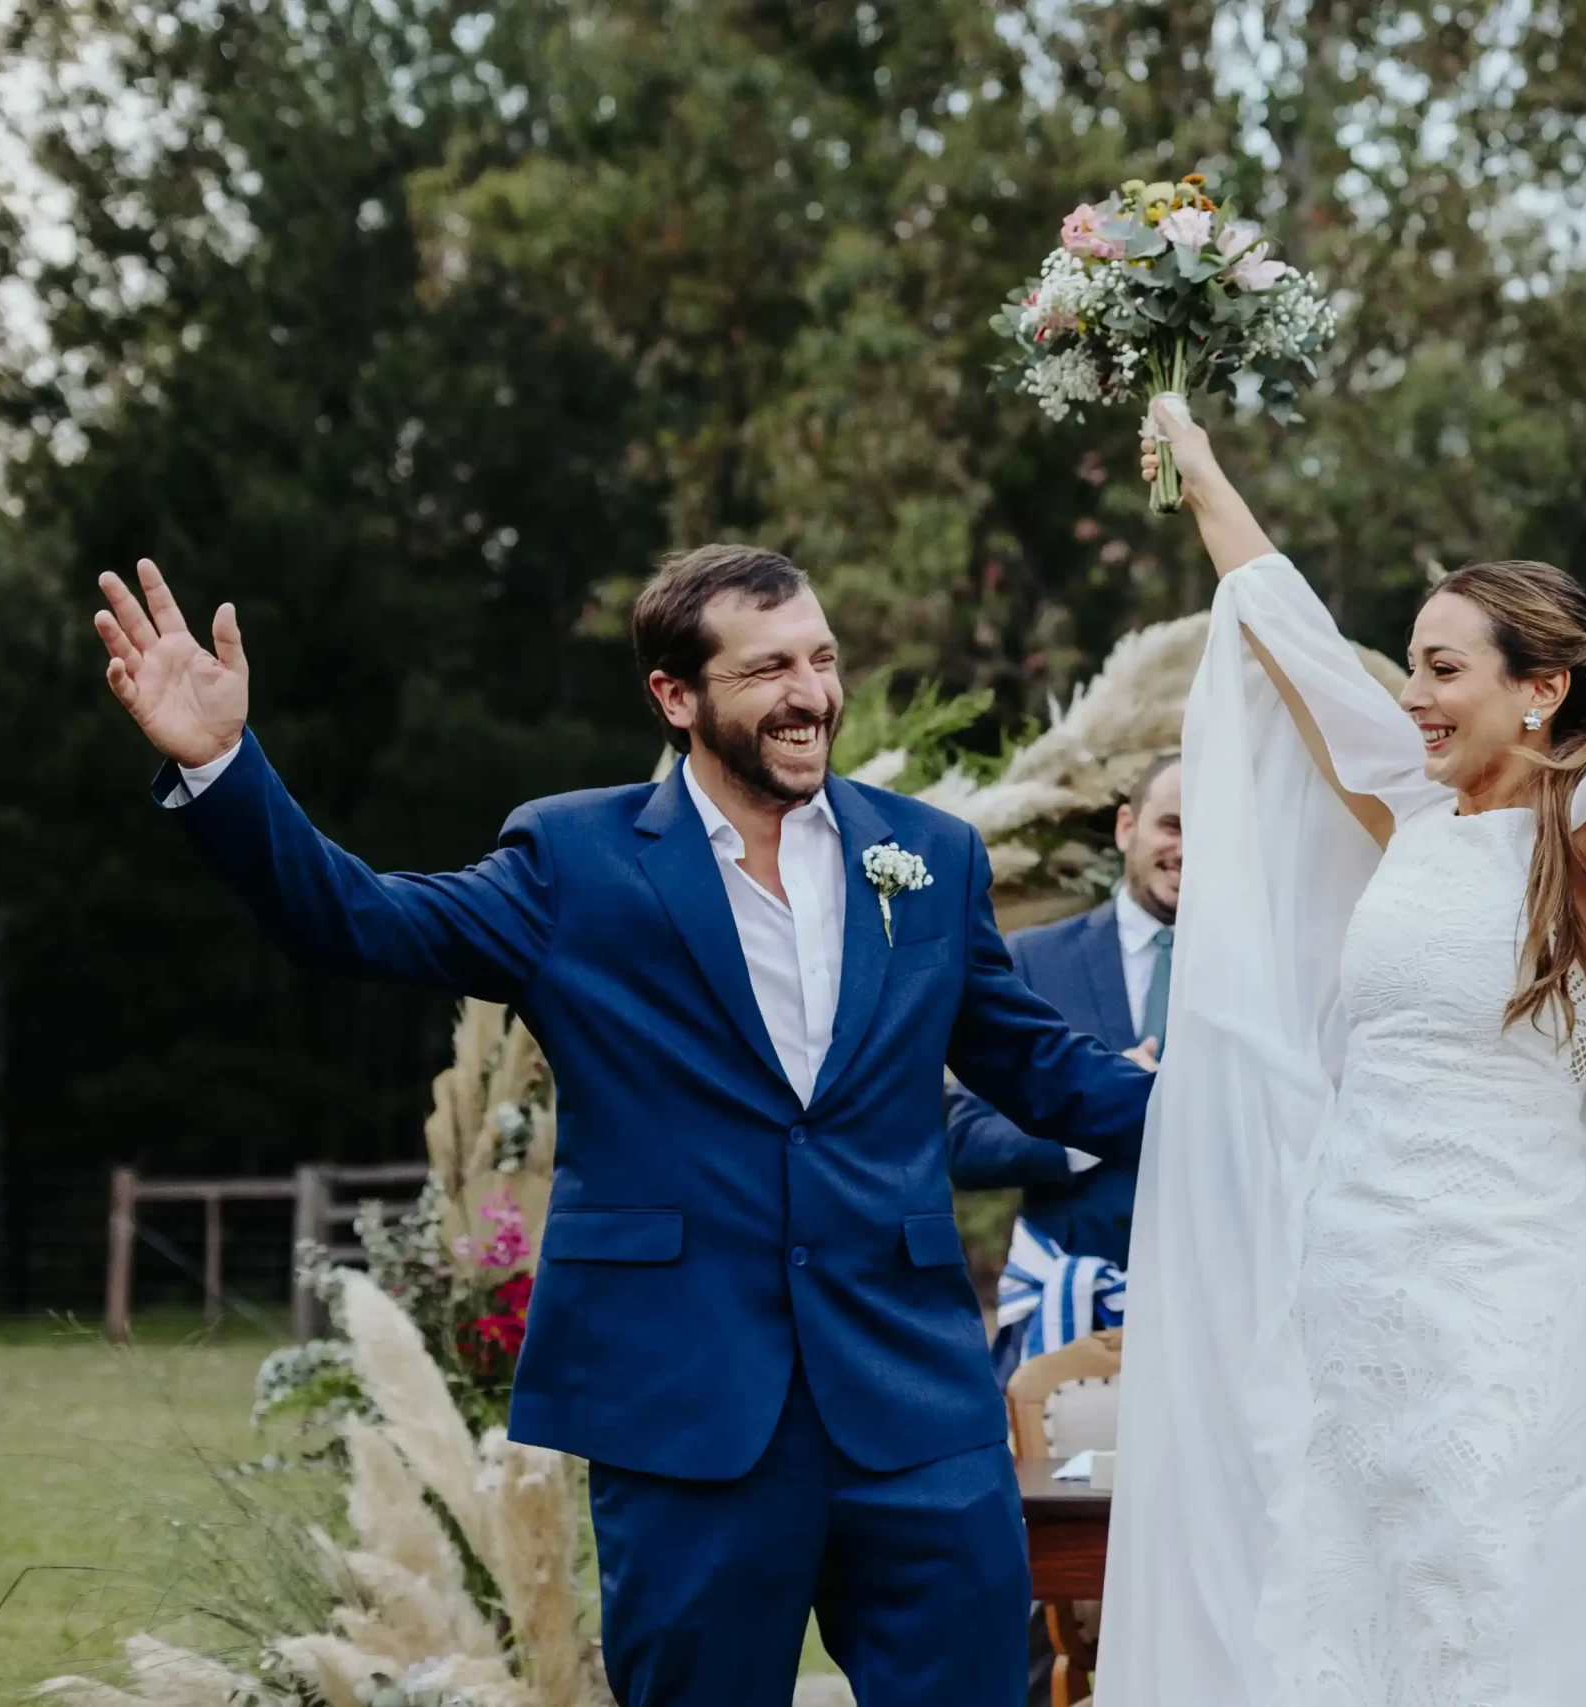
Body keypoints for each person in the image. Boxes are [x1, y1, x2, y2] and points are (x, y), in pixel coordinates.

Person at [87, 544, 1155, 1707]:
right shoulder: (574, 861)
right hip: (686, 1404)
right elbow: (357, 922)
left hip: (914, 1399)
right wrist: (224, 768)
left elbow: (1040, 1070)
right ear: (675, 696)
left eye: (822, 659)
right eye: (768, 671)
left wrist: (1251, 1105)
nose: (810, 695)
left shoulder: (928, 856)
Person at [1099, 384, 1586, 1707]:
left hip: (1504, 1291)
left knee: (1484, 1593)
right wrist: (1203, 468)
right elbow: (1288, 628)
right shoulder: (1411, 814)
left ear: (1540, 689)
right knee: (1347, 1600)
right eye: (1413, 663)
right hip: (1350, 1285)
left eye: (1444, 667)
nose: (1412, 693)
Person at [948, 750, 1181, 1382]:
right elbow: (965, 1141)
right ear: (1127, 827)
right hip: (1063, 1316)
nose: (1189, 849)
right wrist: (1092, 1116)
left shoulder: (1258, 975)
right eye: (1173, 826)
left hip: (1212, 1313)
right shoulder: (1032, 960)